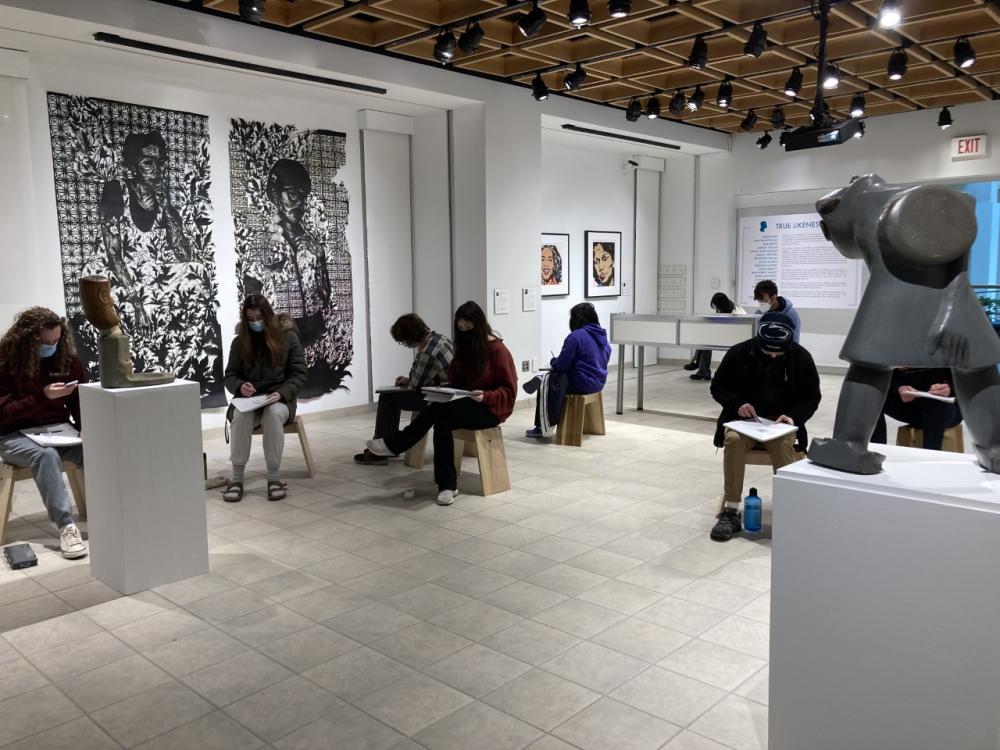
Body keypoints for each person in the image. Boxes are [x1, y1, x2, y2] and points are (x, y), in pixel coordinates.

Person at [364, 301, 518, 506]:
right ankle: (447, 486)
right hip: (466, 403)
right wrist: (448, 385)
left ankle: (395, 444)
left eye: (468, 328)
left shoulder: (497, 350)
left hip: (489, 409)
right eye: (460, 329)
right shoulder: (463, 347)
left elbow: (509, 390)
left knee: (441, 410)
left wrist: (486, 396)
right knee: (442, 420)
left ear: (478, 325)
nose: (464, 332)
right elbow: (457, 380)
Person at [241, 158, 353, 397]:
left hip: (313, 329)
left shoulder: (312, 241)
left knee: (316, 384)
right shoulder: (263, 242)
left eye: (302, 195)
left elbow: (325, 291)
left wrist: (318, 257)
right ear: (275, 194)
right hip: (279, 333)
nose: (298, 202)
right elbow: (251, 292)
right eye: (291, 193)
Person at [709, 312, 821, 542]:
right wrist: (737, 403)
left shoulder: (800, 358)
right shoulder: (739, 353)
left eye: (778, 351)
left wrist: (793, 417)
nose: (772, 355)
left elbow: (812, 397)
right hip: (743, 421)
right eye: (767, 350)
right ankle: (731, 511)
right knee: (733, 441)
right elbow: (718, 386)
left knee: (782, 444)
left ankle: (789, 510)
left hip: (781, 424)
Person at [0, 308, 88, 559]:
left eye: (56, 341)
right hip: (13, 436)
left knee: (97, 448)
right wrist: (42, 396)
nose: (51, 346)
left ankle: (115, 509)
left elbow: (79, 402)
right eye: (44, 342)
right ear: (27, 339)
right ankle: (66, 527)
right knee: (46, 456)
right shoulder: (5, 365)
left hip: (58, 431)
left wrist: (86, 428)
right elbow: (3, 414)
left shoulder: (67, 361)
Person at [223, 294, 308, 503]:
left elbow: (299, 374)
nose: (255, 323)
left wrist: (283, 393)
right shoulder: (240, 342)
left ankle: (274, 478)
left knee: (273, 414)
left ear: (268, 315)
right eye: (250, 319)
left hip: (280, 399)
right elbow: (230, 375)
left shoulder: (288, 338)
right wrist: (240, 386)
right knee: (240, 416)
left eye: (259, 317)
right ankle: (237, 478)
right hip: (249, 401)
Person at [355, 314, 454, 465]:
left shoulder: (427, 351)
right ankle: (387, 445)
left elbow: (416, 383)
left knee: (387, 398)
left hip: (439, 398)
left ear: (410, 338)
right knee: (392, 397)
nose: (404, 344)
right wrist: (410, 379)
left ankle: (381, 450)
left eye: (402, 341)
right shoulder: (440, 339)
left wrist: (412, 375)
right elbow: (427, 375)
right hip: (448, 391)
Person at [526, 303, 611, 439]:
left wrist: (554, 361)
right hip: (599, 383)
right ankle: (542, 379)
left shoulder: (575, 337)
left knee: (549, 383)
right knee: (556, 377)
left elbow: (562, 365)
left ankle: (542, 426)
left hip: (581, 384)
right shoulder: (603, 336)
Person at [871, 368, 962, 450]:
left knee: (934, 402)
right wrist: (898, 388)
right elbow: (877, 377)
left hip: (946, 405)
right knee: (870, 397)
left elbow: (970, 379)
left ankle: (929, 457)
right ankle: (876, 453)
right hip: (908, 402)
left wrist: (950, 387)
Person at [685, 292, 748, 381]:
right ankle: (701, 369)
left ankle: (698, 365)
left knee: (705, 340)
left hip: (737, 336)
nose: (716, 309)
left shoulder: (736, 313)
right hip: (729, 332)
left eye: (716, 306)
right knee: (704, 340)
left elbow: (738, 328)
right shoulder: (728, 306)